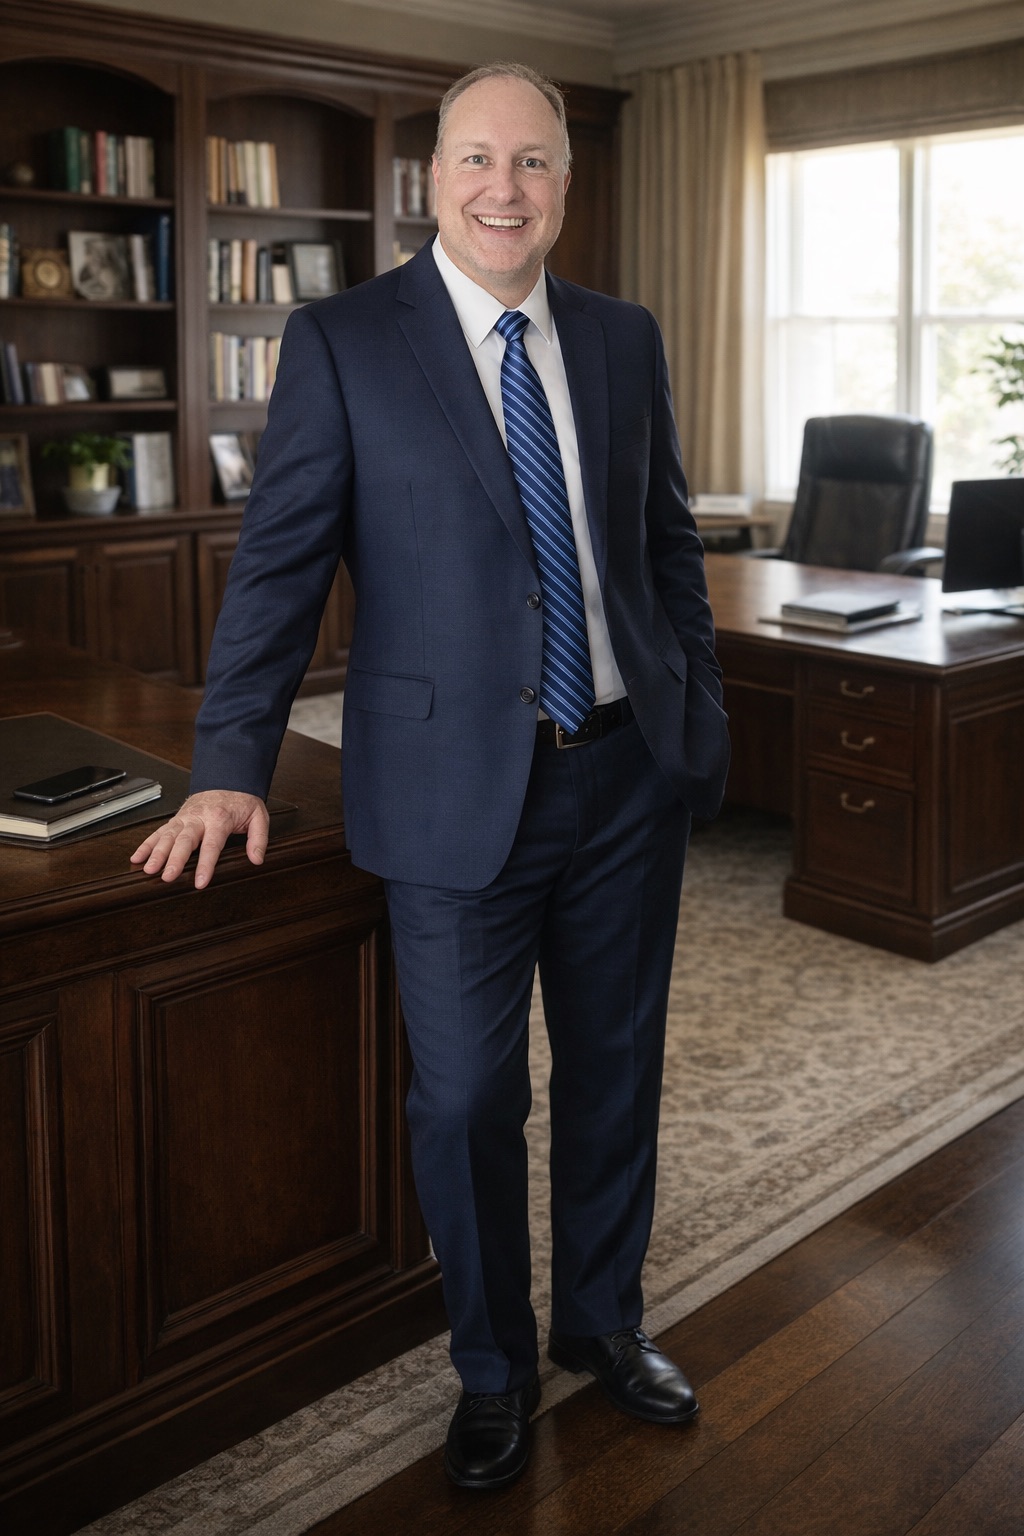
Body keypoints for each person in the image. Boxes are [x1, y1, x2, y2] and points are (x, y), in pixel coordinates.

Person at [131, 61, 730, 1492]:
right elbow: (278, 569)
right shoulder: (343, 339)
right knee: (465, 1101)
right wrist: (230, 763)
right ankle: (492, 1370)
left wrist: (691, 719)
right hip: (453, 793)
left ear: (566, 182)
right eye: (476, 159)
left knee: (612, 1080)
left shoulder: (623, 337)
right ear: (435, 179)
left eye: (532, 162)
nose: (503, 189)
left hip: (621, 779)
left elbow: (665, 548)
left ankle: (603, 1325)